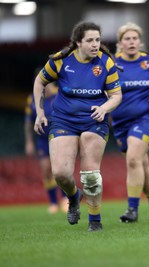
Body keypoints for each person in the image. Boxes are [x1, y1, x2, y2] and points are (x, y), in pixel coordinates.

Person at [33, 21, 122, 232]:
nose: (95, 44)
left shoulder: (106, 63)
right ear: (78, 43)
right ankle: (74, 197)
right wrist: (39, 113)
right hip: (64, 120)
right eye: (90, 40)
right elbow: (40, 82)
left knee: (90, 174)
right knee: (61, 174)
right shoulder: (61, 60)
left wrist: (105, 108)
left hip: (94, 120)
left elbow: (117, 95)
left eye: (98, 40)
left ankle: (95, 220)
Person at [111, 22, 149, 223]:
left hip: (146, 118)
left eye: (134, 38)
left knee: (132, 159)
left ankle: (132, 209)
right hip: (120, 122)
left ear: (140, 42)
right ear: (120, 43)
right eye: (127, 39)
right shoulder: (110, 63)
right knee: (140, 163)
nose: (131, 42)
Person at [25, 82, 68, 214]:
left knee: (60, 169)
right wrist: (29, 142)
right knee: (46, 170)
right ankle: (53, 203)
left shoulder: (59, 93)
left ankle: (65, 199)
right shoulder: (32, 98)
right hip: (42, 139)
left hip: (58, 136)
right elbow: (28, 122)